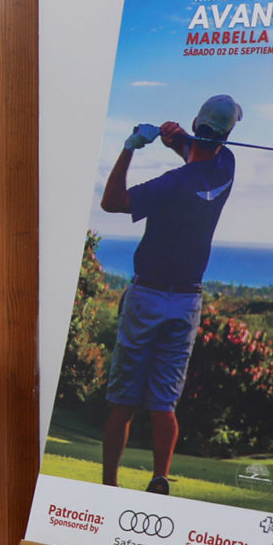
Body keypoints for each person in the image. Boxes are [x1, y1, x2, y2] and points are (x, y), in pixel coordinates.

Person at [97, 93, 242, 495]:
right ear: (227, 136)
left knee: (124, 400)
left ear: (196, 124)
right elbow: (198, 152)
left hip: (148, 296)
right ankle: (160, 478)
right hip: (187, 300)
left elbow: (111, 202)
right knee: (163, 403)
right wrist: (174, 139)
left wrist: (130, 148)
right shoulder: (226, 168)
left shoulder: (170, 185)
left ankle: (109, 485)